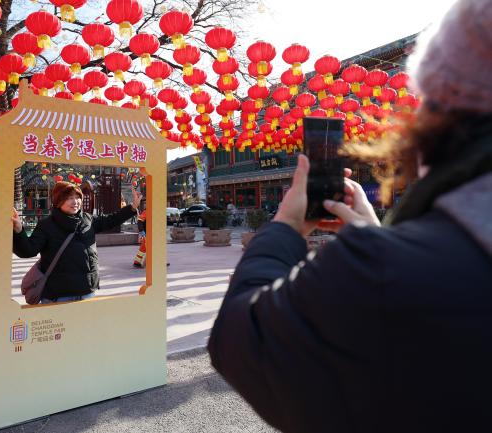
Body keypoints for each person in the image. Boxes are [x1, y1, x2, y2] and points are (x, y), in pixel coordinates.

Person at [208, 1, 492, 432]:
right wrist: (383, 238)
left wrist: (286, 226)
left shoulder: (379, 271)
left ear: (438, 112)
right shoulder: (394, 263)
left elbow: (240, 338)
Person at [12, 181, 142, 303]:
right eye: (69, 198)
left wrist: (132, 207)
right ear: (58, 201)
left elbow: (111, 220)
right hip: (58, 296)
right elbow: (28, 250)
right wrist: (19, 231)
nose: (75, 202)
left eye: (77, 197)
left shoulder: (87, 219)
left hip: (86, 292)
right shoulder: (47, 225)